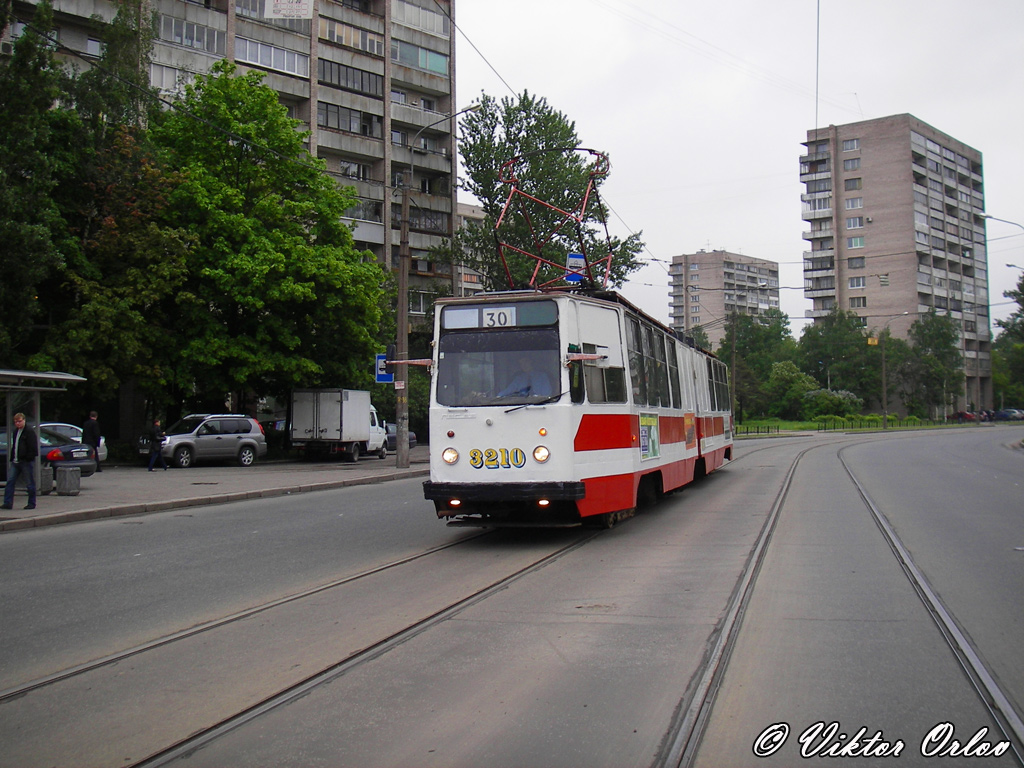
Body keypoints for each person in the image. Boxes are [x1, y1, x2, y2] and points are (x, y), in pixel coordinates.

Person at [2, 413, 39, 510]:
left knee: (29, 482)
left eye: (19, 421)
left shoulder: (29, 432)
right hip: (16, 461)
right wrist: (13, 457)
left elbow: (33, 448)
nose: (17, 423)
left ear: (24, 420)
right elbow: (15, 446)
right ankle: (7, 502)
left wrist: (27, 458)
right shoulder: (16, 432)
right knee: (10, 481)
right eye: (15, 422)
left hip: (25, 461)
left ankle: (31, 503)